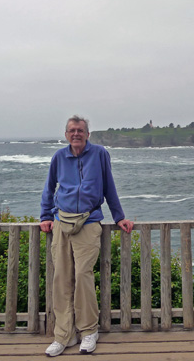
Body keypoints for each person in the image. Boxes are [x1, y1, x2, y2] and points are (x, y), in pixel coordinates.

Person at [40, 115, 134, 356]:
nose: (76, 134)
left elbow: (109, 186)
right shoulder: (59, 157)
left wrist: (119, 216)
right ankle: (64, 335)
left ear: (88, 134)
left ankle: (88, 331)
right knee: (61, 278)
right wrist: (45, 217)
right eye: (72, 130)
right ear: (66, 134)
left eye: (80, 130)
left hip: (89, 222)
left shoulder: (100, 154)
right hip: (61, 223)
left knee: (83, 276)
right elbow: (49, 188)